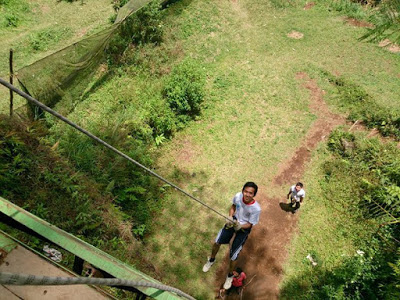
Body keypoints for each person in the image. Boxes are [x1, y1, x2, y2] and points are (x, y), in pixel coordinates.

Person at [203, 182, 261, 290]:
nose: (247, 195)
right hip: (232, 221)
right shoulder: (238, 196)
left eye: (250, 193)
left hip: (243, 229)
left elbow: (250, 224)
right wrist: (230, 217)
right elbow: (233, 207)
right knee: (217, 241)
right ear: (243, 190)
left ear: (254, 195)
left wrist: (240, 226)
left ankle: (229, 276)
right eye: (246, 192)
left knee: (234, 255)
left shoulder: (256, 209)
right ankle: (211, 260)